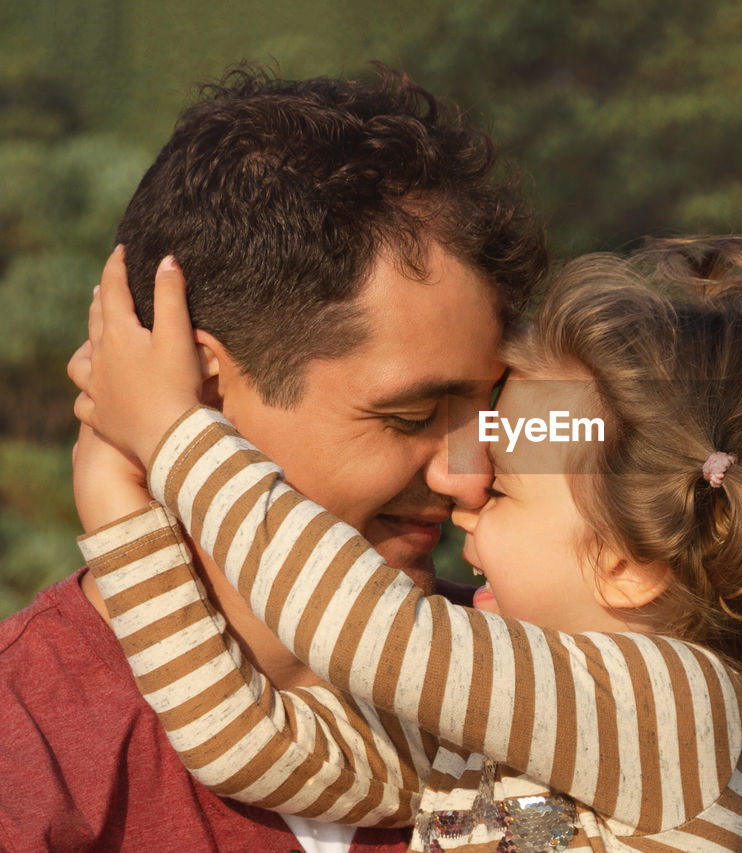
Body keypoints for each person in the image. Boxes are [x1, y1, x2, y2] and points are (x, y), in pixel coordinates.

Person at [70, 236, 742, 852]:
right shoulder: (498, 729)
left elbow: (364, 631)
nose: (464, 497)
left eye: (500, 488)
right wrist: (117, 493)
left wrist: (173, 432)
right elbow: (248, 742)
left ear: (627, 565)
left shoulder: (682, 708)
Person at [0, 65, 546, 852]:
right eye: (413, 413)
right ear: (199, 390)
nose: (471, 474)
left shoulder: (522, 690)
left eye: (485, 413)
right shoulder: (31, 750)